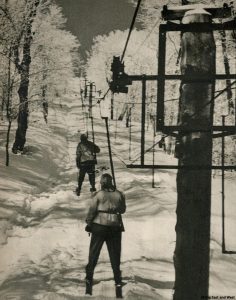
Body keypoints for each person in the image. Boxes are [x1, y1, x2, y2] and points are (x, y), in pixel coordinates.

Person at [85, 173, 126, 298]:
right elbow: (123, 210)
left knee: (94, 252)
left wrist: (88, 222)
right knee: (115, 253)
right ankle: (117, 279)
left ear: (102, 183)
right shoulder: (119, 194)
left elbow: (92, 210)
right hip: (114, 226)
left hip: (99, 226)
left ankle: (89, 277)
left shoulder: (98, 194)